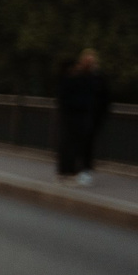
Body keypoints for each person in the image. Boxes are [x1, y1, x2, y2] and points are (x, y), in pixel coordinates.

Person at [56, 48, 112, 186]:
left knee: (79, 144)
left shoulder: (86, 78)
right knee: (80, 144)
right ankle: (78, 170)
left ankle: (75, 170)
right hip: (84, 115)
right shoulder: (90, 79)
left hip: (85, 115)